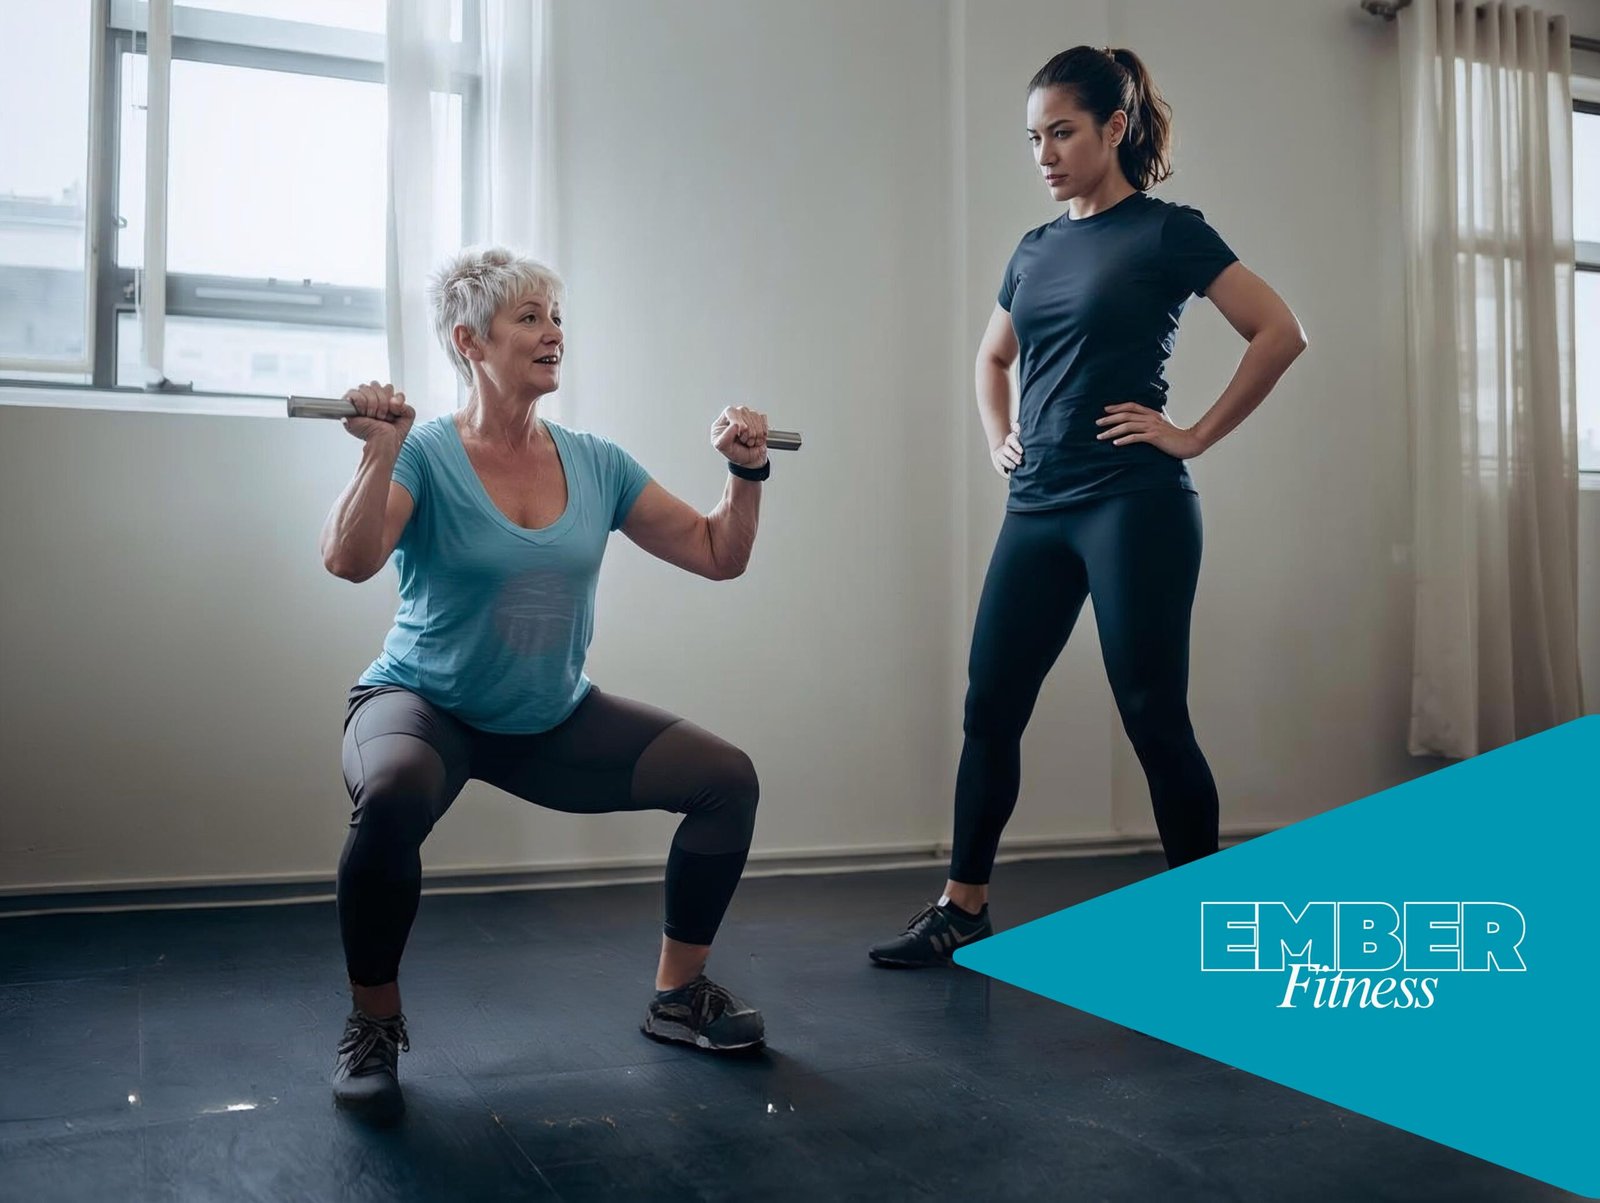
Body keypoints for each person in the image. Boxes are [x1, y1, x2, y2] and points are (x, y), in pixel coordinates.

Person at [869, 46, 1307, 968]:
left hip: (1132, 505)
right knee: (990, 707)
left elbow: (1280, 331)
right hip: (1037, 507)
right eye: (1034, 137)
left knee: (1152, 712)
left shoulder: (1167, 232)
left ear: (1115, 128)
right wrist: (1000, 438)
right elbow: (993, 358)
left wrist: (1192, 433)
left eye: (1061, 132)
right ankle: (964, 905)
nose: (1044, 153)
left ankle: (1209, 924)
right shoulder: (1034, 249)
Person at [320, 246, 775, 1120]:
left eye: (556, 317)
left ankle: (679, 996)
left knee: (726, 778)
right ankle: (373, 1025)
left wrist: (746, 472)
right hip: (422, 706)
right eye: (529, 317)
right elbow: (349, 560)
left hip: (546, 717)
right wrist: (377, 452)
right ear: (470, 340)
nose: (553, 333)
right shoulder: (423, 453)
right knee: (391, 795)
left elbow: (719, 554)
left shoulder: (595, 461)